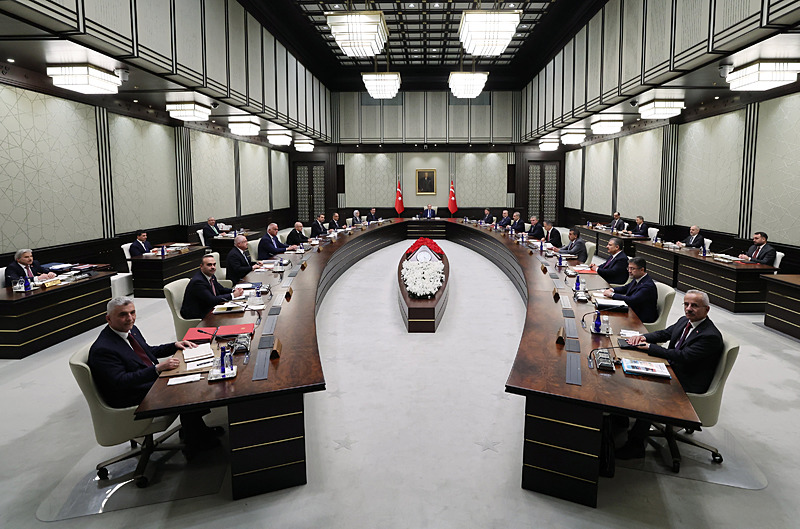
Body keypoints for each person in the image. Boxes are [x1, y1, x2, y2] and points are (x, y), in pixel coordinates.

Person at [88, 297, 222, 449]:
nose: (130, 318)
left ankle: (194, 429)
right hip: (130, 394)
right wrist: (156, 369)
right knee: (186, 390)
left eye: (132, 312)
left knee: (193, 378)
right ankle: (195, 442)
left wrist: (174, 345)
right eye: (123, 315)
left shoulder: (131, 330)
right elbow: (121, 381)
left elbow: (147, 351)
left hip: (145, 381)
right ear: (108, 318)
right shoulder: (103, 349)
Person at [616, 290, 724, 459]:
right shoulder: (685, 321)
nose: (689, 309)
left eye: (694, 306)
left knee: (648, 390)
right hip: (676, 369)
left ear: (707, 309)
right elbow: (664, 334)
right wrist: (642, 338)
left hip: (688, 381)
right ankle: (621, 420)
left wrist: (650, 348)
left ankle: (636, 446)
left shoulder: (710, 336)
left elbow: (683, 356)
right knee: (628, 372)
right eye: (686, 304)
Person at [180, 255, 244, 319]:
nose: (213, 267)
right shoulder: (198, 281)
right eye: (209, 265)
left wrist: (234, 290)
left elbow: (221, 289)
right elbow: (212, 300)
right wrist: (233, 295)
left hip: (208, 307)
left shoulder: (210, 276)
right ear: (201, 266)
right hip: (197, 314)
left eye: (214, 264)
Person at [601, 257, 658, 323]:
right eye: (628, 268)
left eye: (632, 268)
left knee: (611, 318)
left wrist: (612, 295)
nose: (629, 271)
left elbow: (632, 300)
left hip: (640, 317)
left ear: (642, 270)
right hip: (632, 309)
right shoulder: (638, 278)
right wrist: (612, 289)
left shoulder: (647, 286)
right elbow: (626, 288)